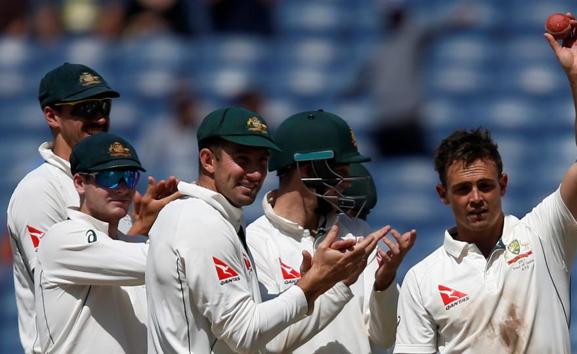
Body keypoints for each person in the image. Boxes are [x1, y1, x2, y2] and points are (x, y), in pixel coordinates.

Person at [394, 15, 577, 353]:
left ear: (503, 185)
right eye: (463, 189)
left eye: (485, 185)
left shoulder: (543, 235)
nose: (476, 198)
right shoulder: (423, 280)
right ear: (443, 195)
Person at [145, 107, 388, 354]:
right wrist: (315, 283)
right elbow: (244, 335)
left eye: (262, 161)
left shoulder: (218, 220)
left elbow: (263, 336)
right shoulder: (201, 222)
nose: (255, 174)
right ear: (208, 160)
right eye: (242, 160)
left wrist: (324, 285)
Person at [6, 62, 176, 354]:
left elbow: (107, 266)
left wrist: (138, 230)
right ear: (52, 116)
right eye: (86, 109)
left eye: (103, 107)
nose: (99, 118)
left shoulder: (111, 187)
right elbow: (58, 281)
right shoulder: (39, 190)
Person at [246, 109, 416, 353]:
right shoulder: (254, 243)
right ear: (306, 169)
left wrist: (384, 283)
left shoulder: (356, 231)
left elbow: (384, 337)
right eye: (341, 171)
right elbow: (272, 343)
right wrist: (332, 283)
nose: (347, 182)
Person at [34, 132, 177, 354]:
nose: (122, 188)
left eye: (129, 177)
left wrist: (148, 230)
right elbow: (163, 262)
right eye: (109, 176)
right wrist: (186, 217)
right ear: (80, 183)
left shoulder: (131, 243)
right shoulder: (62, 238)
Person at [343, 4, 477, 157]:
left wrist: (454, 21)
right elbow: (359, 84)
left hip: (403, 121)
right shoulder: (379, 49)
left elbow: (433, 29)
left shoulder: (407, 39)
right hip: (388, 123)